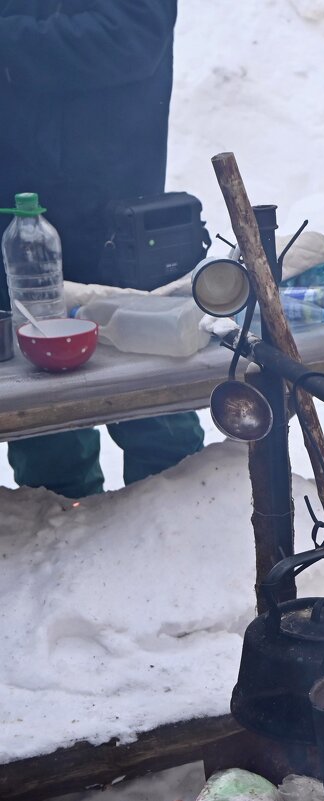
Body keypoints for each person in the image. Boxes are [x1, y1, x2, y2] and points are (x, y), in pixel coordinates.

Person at [0, 0, 204, 499]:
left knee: (150, 389)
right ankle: (57, 519)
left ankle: (183, 522)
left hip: (112, 211)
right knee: (40, 401)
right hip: (17, 215)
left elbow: (130, 39)